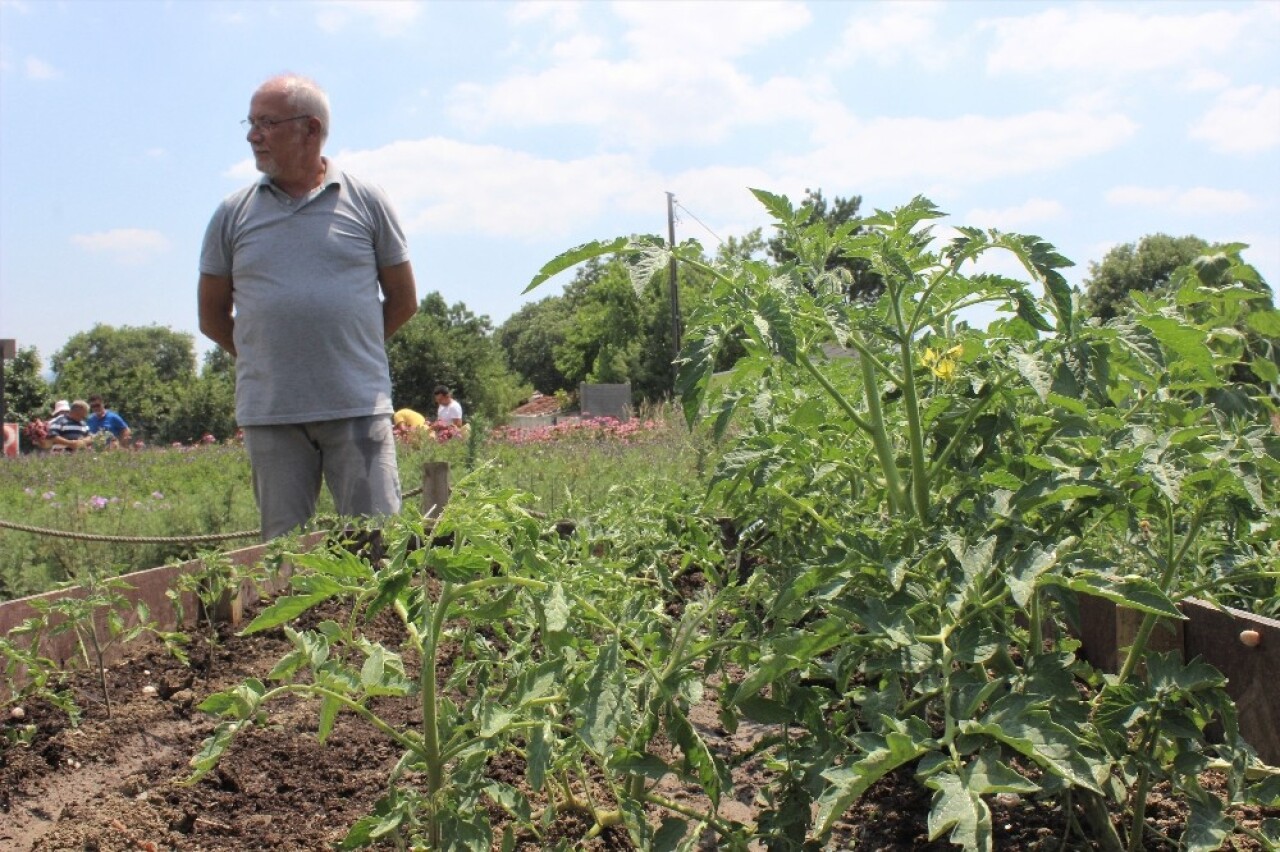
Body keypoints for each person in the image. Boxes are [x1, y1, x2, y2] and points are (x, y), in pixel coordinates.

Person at [198, 73, 418, 541]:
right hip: (272, 414)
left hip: (358, 407)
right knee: (284, 562)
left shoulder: (367, 201)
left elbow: (403, 300)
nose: (252, 135)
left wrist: (345, 351)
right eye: (251, 122)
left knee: (378, 552)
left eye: (266, 123)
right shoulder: (232, 213)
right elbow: (212, 317)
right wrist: (270, 357)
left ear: (310, 129)